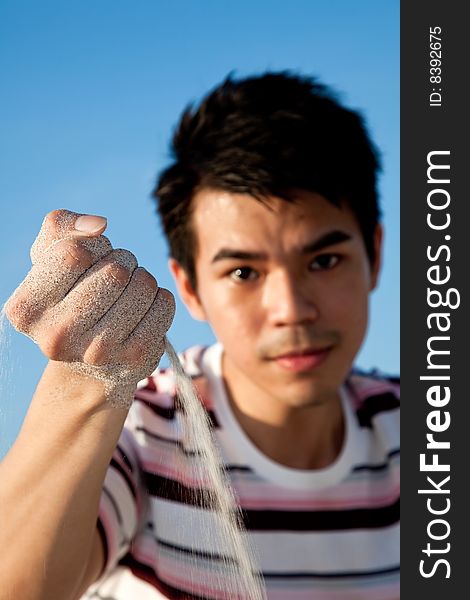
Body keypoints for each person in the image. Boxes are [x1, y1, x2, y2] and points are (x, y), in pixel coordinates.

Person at [0, 71, 399, 600]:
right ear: (188, 287)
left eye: (324, 261)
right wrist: (87, 375)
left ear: (373, 255)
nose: (292, 311)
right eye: (242, 272)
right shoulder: (143, 434)